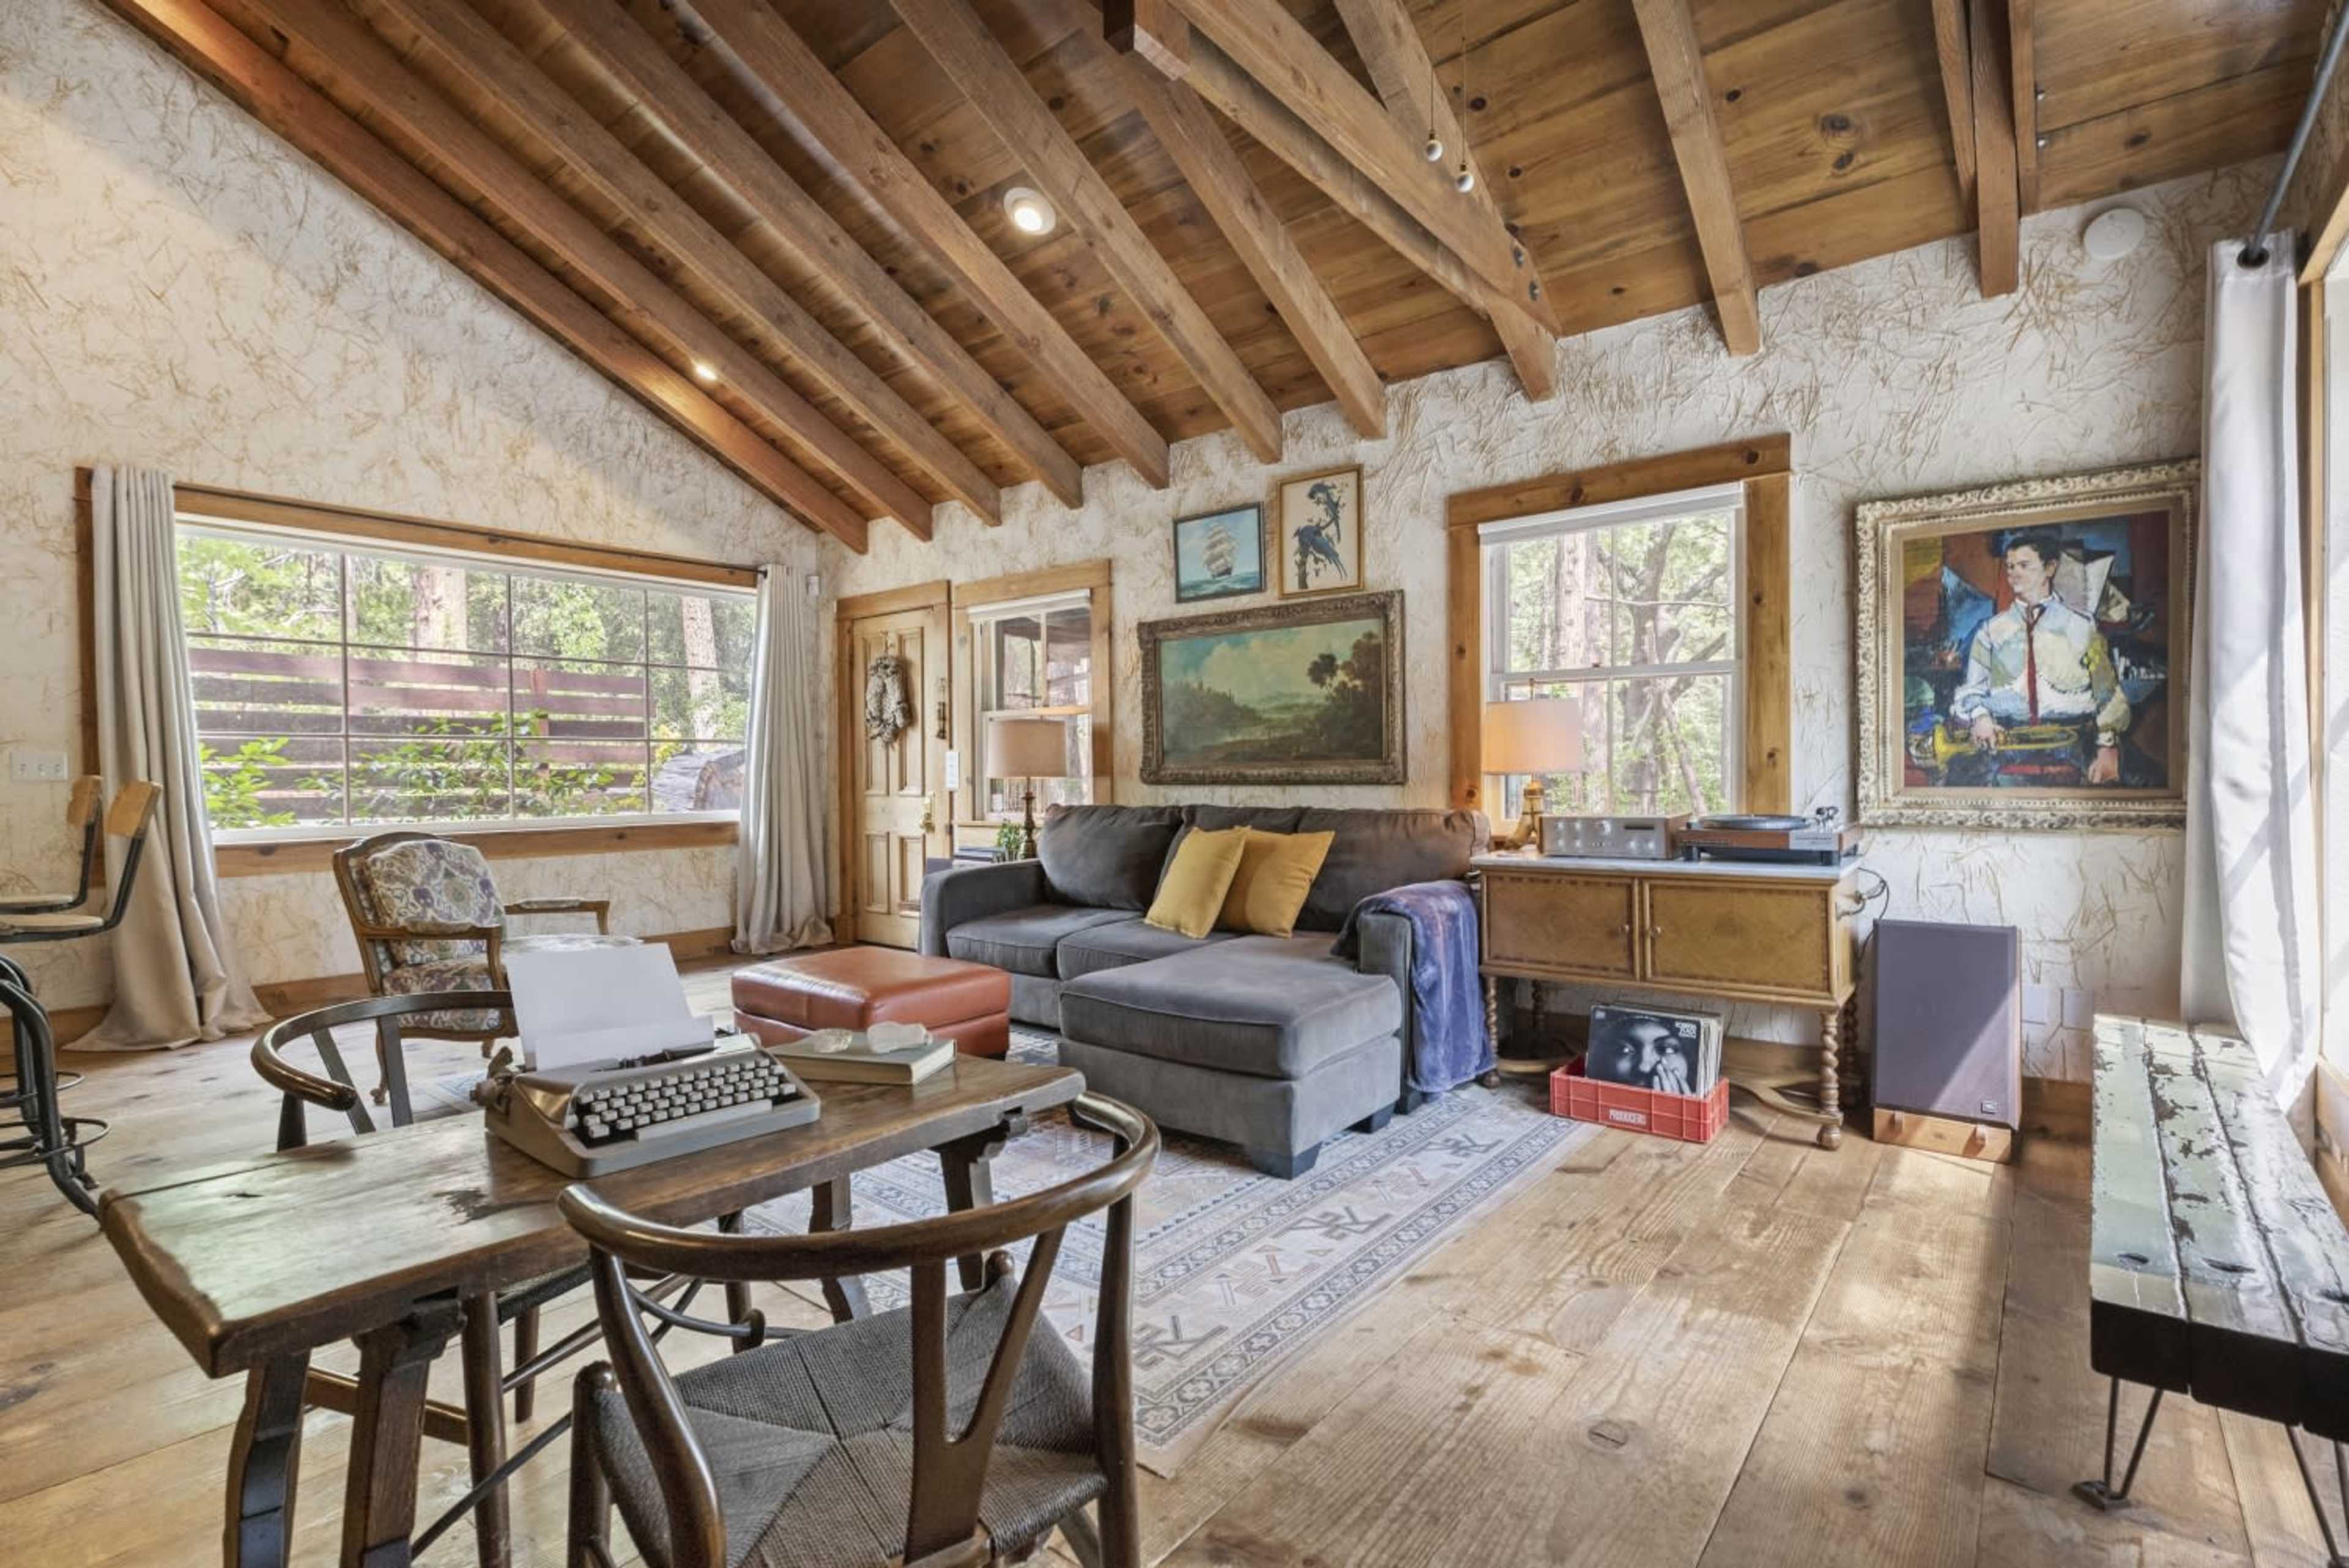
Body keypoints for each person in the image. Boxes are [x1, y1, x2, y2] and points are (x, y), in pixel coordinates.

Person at [1946, 530, 2131, 786]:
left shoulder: (2082, 626)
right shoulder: (1990, 631)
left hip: (2075, 742)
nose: (2014, 573)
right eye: (2010, 566)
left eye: (2024, 565)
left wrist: (2108, 747)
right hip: (2005, 740)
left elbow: (2107, 694)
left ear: (2050, 568)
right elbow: (1971, 691)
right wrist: (1981, 717)